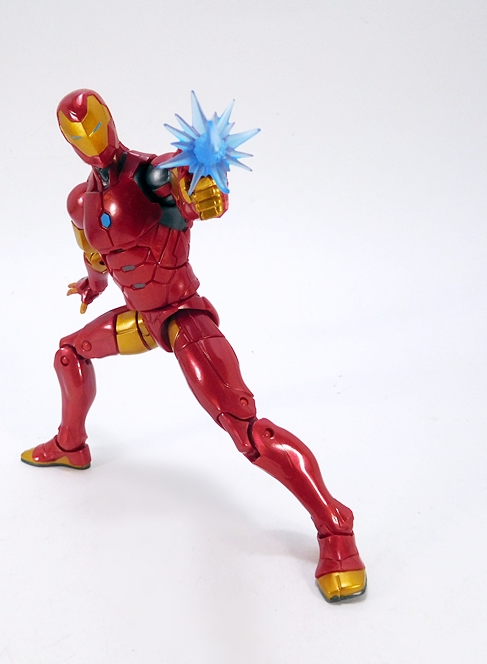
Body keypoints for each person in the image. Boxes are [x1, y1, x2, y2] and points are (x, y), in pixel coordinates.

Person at [21, 89, 366, 602]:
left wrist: (206, 195)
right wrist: (92, 285)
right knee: (69, 354)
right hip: (141, 320)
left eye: (93, 125)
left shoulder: (154, 174)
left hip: (183, 317)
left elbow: (195, 192)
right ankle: (71, 445)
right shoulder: (80, 201)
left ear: (110, 120)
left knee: (245, 429)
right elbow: (96, 255)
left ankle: (336, 527)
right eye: (77, 134)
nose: (89, 139)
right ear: (67, 142)